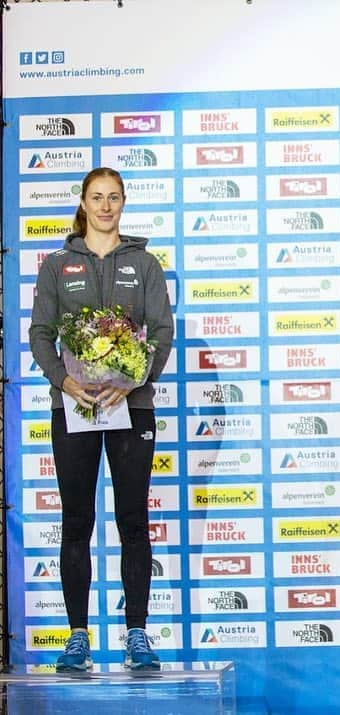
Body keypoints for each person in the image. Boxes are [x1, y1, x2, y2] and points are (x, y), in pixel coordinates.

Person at [29, 167, 174, 671]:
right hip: (74, 407)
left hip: (131, 407)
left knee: (133, 521)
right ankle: (76, 637)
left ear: (123, 203)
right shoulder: (56, 265)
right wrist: (64, 382)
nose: (106, 206)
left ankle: (137, 633)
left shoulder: (146, 264)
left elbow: (161, 330)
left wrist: (132, 379)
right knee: (77, 522)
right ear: (84, 203)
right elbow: (40, 334)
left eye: (114, 198)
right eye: (97, 197)